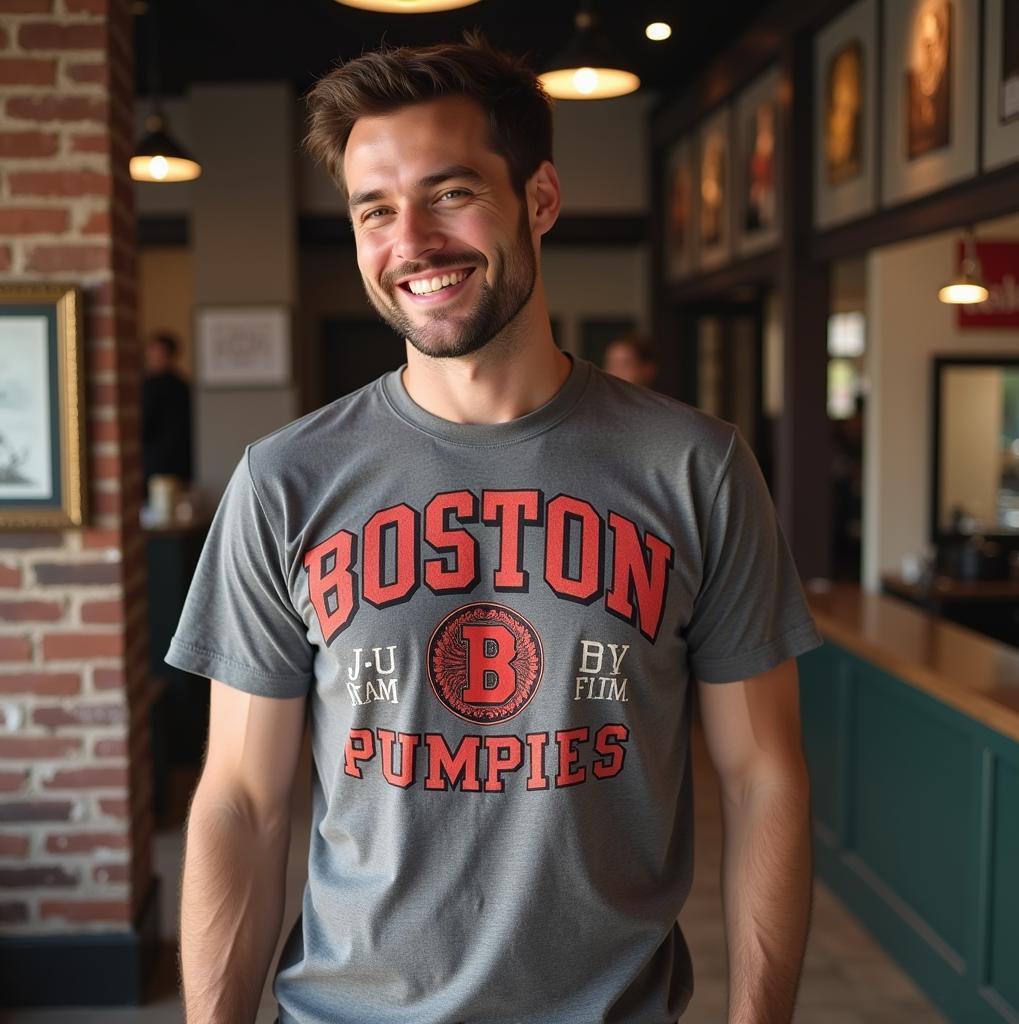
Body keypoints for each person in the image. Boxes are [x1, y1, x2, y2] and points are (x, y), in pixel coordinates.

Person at [168, 35, 822, 1024]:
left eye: (452, 192)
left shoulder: (692, 468)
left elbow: (762, 774)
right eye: (374, 210)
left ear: (541, 199)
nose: (412, 241)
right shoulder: (286, 481)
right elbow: (242, 805)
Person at [141, 331, 193, 487]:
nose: (152, 360)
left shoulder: (155, 386)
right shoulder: (182, 385)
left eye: (157, 356)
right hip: (176, 463)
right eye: (150, 356)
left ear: (169, 357)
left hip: (158, 464)